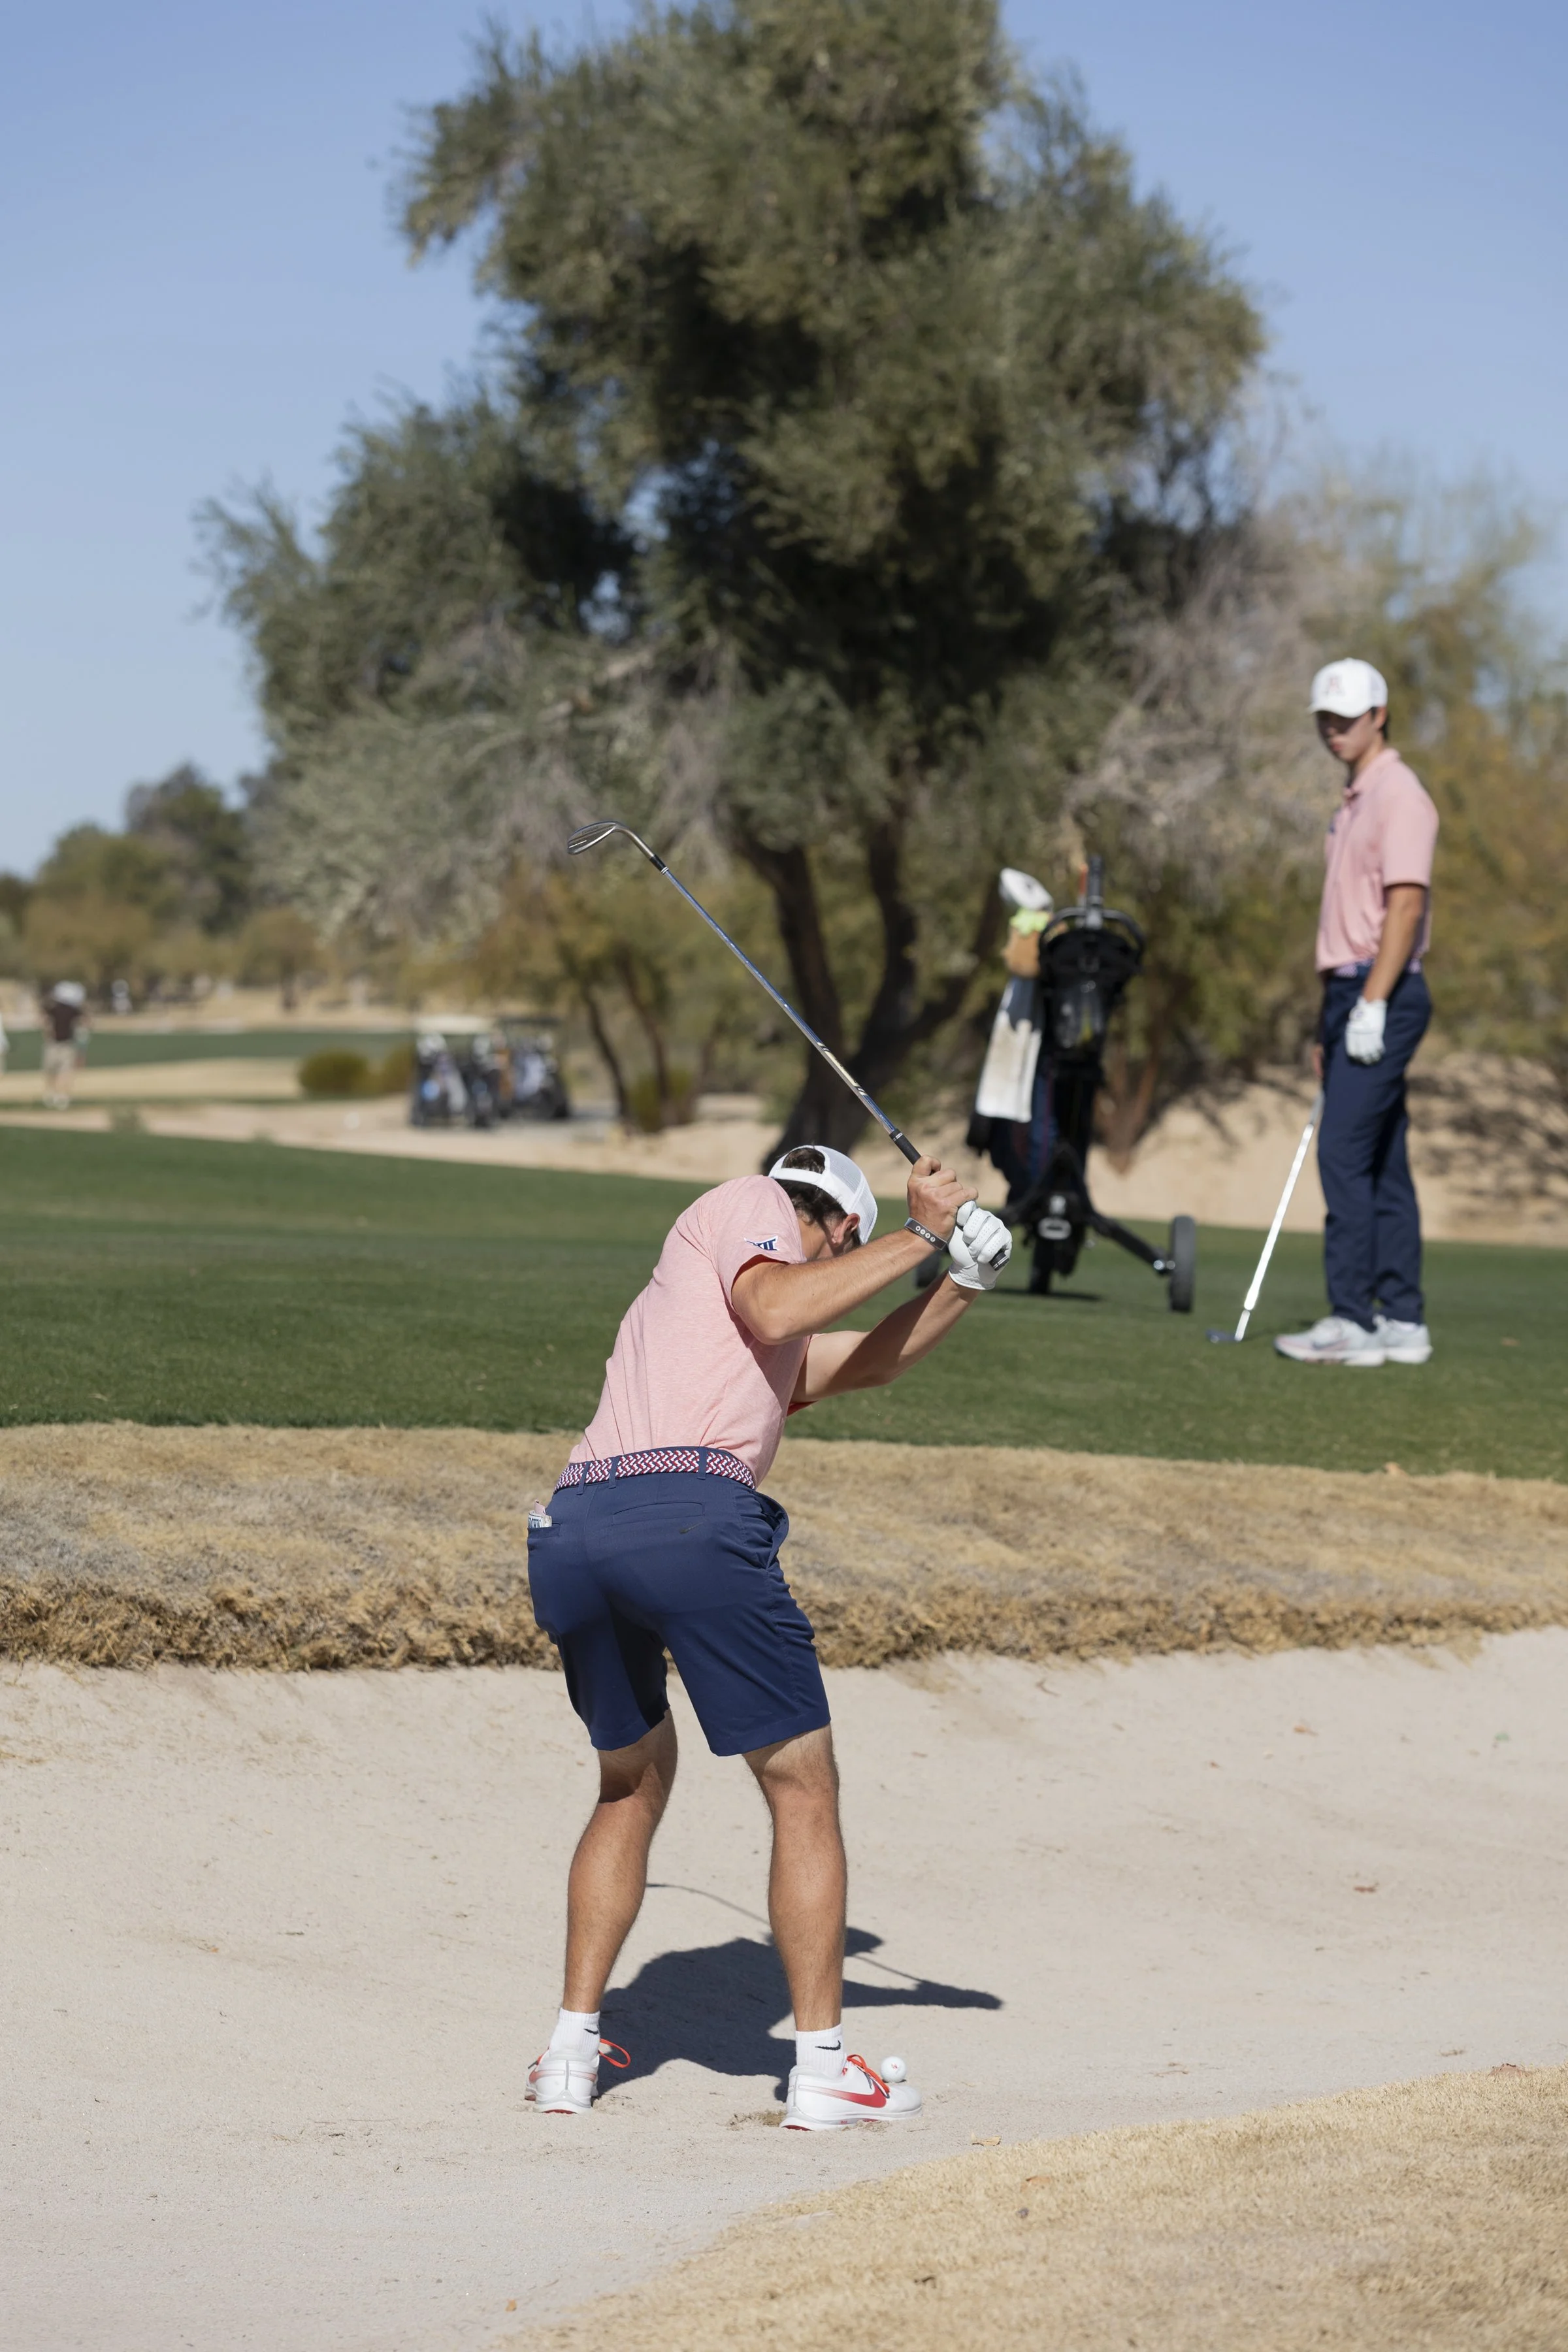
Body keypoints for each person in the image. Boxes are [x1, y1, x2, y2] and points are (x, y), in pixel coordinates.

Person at [524, 1142, 1011, 2130]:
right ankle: (824, 2067)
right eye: (850, 1242)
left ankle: (570, 2052)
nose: (844, 1257)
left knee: (631, 1780)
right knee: (801, 1788)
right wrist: (921, 1233)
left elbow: (855, 1360)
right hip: (693, 1520)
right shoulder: (749, 1207)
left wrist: (961, 1284)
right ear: (828, 1222)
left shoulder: (711, 1324)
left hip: (574, 1530)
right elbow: (783, 1306)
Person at [1276, 659, 1439, 1367]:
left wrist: (1371, 1004)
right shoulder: (1354, 801)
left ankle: (1353, 1319)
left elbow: (1406, 904)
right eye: (1326, 719)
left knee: (1342, 1151)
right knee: (1381, 1159)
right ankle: (1402, 1318)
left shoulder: (1399, 795)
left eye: (1346, 718)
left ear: (1379, 715)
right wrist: (1332, 1020)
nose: (1334, 730)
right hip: (1350, 994)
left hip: (1384, 990)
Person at [41, 981, 89, 1109]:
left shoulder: (72, 1011)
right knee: (55, 1071)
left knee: (62, 1072)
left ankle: (59, 1096)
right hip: (59, 1044)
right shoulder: (57, 1009)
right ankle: (56, 1095)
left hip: (64, 1044)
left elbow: (82, 1025)